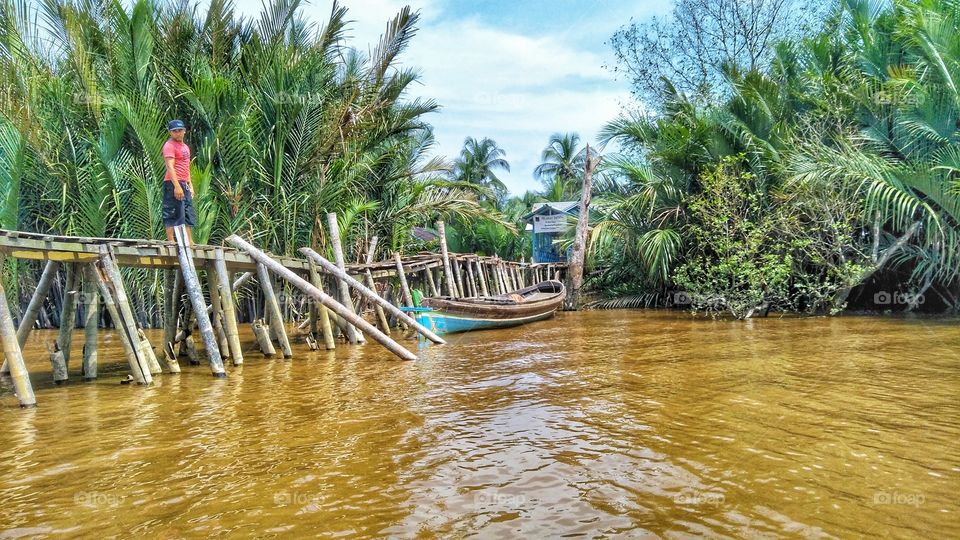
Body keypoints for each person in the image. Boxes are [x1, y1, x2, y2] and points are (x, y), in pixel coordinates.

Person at [162, 119, 196, 244]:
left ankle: (189, 240)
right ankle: (171, 240)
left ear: (184, 131)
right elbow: (170, 166)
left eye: (180, 130)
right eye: (174, 131)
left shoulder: (185, 147)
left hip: (184, 182)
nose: (178, 133)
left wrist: (190, 184)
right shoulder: (169, 146)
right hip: (172, 182)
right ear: (170, 132)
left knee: (186, 211)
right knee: (171, 210)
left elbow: (186, 167)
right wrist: (176, 186)